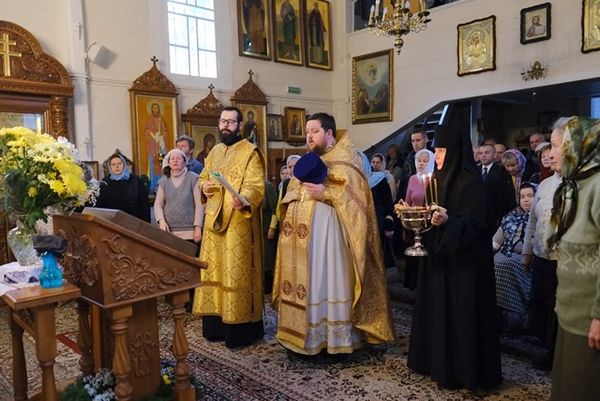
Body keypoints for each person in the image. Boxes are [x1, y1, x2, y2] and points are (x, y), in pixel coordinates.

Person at [273, 112, 395, 355]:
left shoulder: (347, 160)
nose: (309, 136)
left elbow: (359, 202)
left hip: (332, 242)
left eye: (314, 131)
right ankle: (300, 338)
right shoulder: (308, 160)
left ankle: (334, 340)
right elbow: (291, 192)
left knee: (327, 282)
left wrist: (326, 193)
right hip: (301, 242)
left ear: (329, 133)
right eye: (307, 132)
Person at [407, 104, 502, 391]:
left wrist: (450, 220)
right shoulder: (436, 179)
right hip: (439, 261)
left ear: (455, 152)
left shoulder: (471, 183)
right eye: (435, 152)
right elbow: (429, 212)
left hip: (465, 268)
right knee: (437, 313)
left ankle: (464, 372)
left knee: (461, 319)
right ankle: (435, 364)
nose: (436, 158)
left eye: (441, 153)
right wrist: (420, 218)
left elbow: (477, 226)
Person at [193, 106, 266, 348]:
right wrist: (203, 187)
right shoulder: (214, 151)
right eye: (222, 121)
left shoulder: (250, 152)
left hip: (237, 223)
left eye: (231, 122)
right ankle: (215, 327)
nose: (225, 126)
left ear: (240, 126)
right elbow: (204, 176)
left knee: (236, 272)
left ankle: (240, 330)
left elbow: (256, 185)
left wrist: (244, 198)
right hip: (213, 221)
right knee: (214, 271)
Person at [547, 116, 600, 401]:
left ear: (579, 145)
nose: (551, 153)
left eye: (557, 145)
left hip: (590, 318)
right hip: (570, 311)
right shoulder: (573, 184)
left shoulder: (597, 186)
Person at [522, 118, 569, 371]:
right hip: (541, 256)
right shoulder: (543, 184)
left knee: (558, 307)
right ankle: (546, 346)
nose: (550, 153)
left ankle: (557, 352)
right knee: (542, 303)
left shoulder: (575, 185)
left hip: (563, 259)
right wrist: (527, 252)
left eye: (554, 146)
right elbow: (532, 221)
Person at [492, 183, 536, 330]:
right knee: (492, 263)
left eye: (530, 196)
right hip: (505, 254)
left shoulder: (540, 218)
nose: (526, 200)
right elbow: (496, 241)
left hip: (528, 258)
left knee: (509, 265)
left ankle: (515, 314)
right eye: (522, 197)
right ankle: (497, 312)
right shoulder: (511, 216)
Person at [154, 149, 203, 245]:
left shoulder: (193, 178)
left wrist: (198, 227)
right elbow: (158, 204)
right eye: (172, 159)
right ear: (168, 163)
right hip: (169, 232)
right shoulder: (163, 181)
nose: (175, 161)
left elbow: (199, 204)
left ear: (185, 162)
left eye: (178, 158)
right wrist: (161, 222)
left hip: (190, 233)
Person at [95, 153, 150, 222]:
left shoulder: (136, 180)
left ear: (124, 165)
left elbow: (145, 205)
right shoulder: (105, 182)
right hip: (111, 222)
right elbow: (100, 207)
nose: (116, 166)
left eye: (119, 163)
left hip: (133, 221)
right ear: (110, 167)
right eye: (113, 164)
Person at [479, 143, 516, 229]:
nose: (483, 155)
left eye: (487, 152)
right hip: (480, 216)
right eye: (480, 153)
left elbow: (506, 194)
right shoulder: (474, 171)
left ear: (495, 155)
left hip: (497, 215)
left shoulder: (502, 171)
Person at [144, 102, 168, 192]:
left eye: (157, 108)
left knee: (161, 164)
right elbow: (147, 131)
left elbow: (165, 131)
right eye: (153, 108)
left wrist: (162, 137)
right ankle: (154, 186)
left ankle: (162, 185)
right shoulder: (149, 120)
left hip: (161, 147)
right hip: (152, 148)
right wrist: (154, 137)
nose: (155, 110)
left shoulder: (162, 120)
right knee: (154, 165)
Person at [399, 130, 428, 200]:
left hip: (428, 192)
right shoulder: (409, 158)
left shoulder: (433, 155)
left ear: (426, 140)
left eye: (418, 140)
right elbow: (404, 180)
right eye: (413, 141)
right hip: (411, 195)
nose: (415, 144)